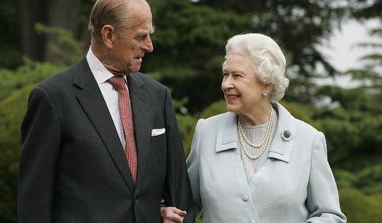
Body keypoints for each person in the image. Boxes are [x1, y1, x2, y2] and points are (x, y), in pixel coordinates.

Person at [18, 0, 194, 222]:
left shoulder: (158, 96)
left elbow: (180, 196)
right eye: (140, 36)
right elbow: (34, 205)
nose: (149, 46)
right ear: (108, 35)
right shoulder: (52, 98)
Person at [165, 33, 347, 223]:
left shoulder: (308, 140)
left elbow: (330, 215)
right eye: (225, 74)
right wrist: (166, 211)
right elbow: (183, 206)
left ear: (267, 84)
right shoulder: (207, 132)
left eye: (237, 76)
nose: (226, 84)